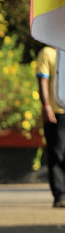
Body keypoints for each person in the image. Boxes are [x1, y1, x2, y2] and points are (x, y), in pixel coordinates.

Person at [36, 45, 65, 208]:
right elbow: (43, 79)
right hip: (56, 111)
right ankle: (60, 194)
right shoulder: (48, 53)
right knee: (57, 152)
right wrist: (46, 105)